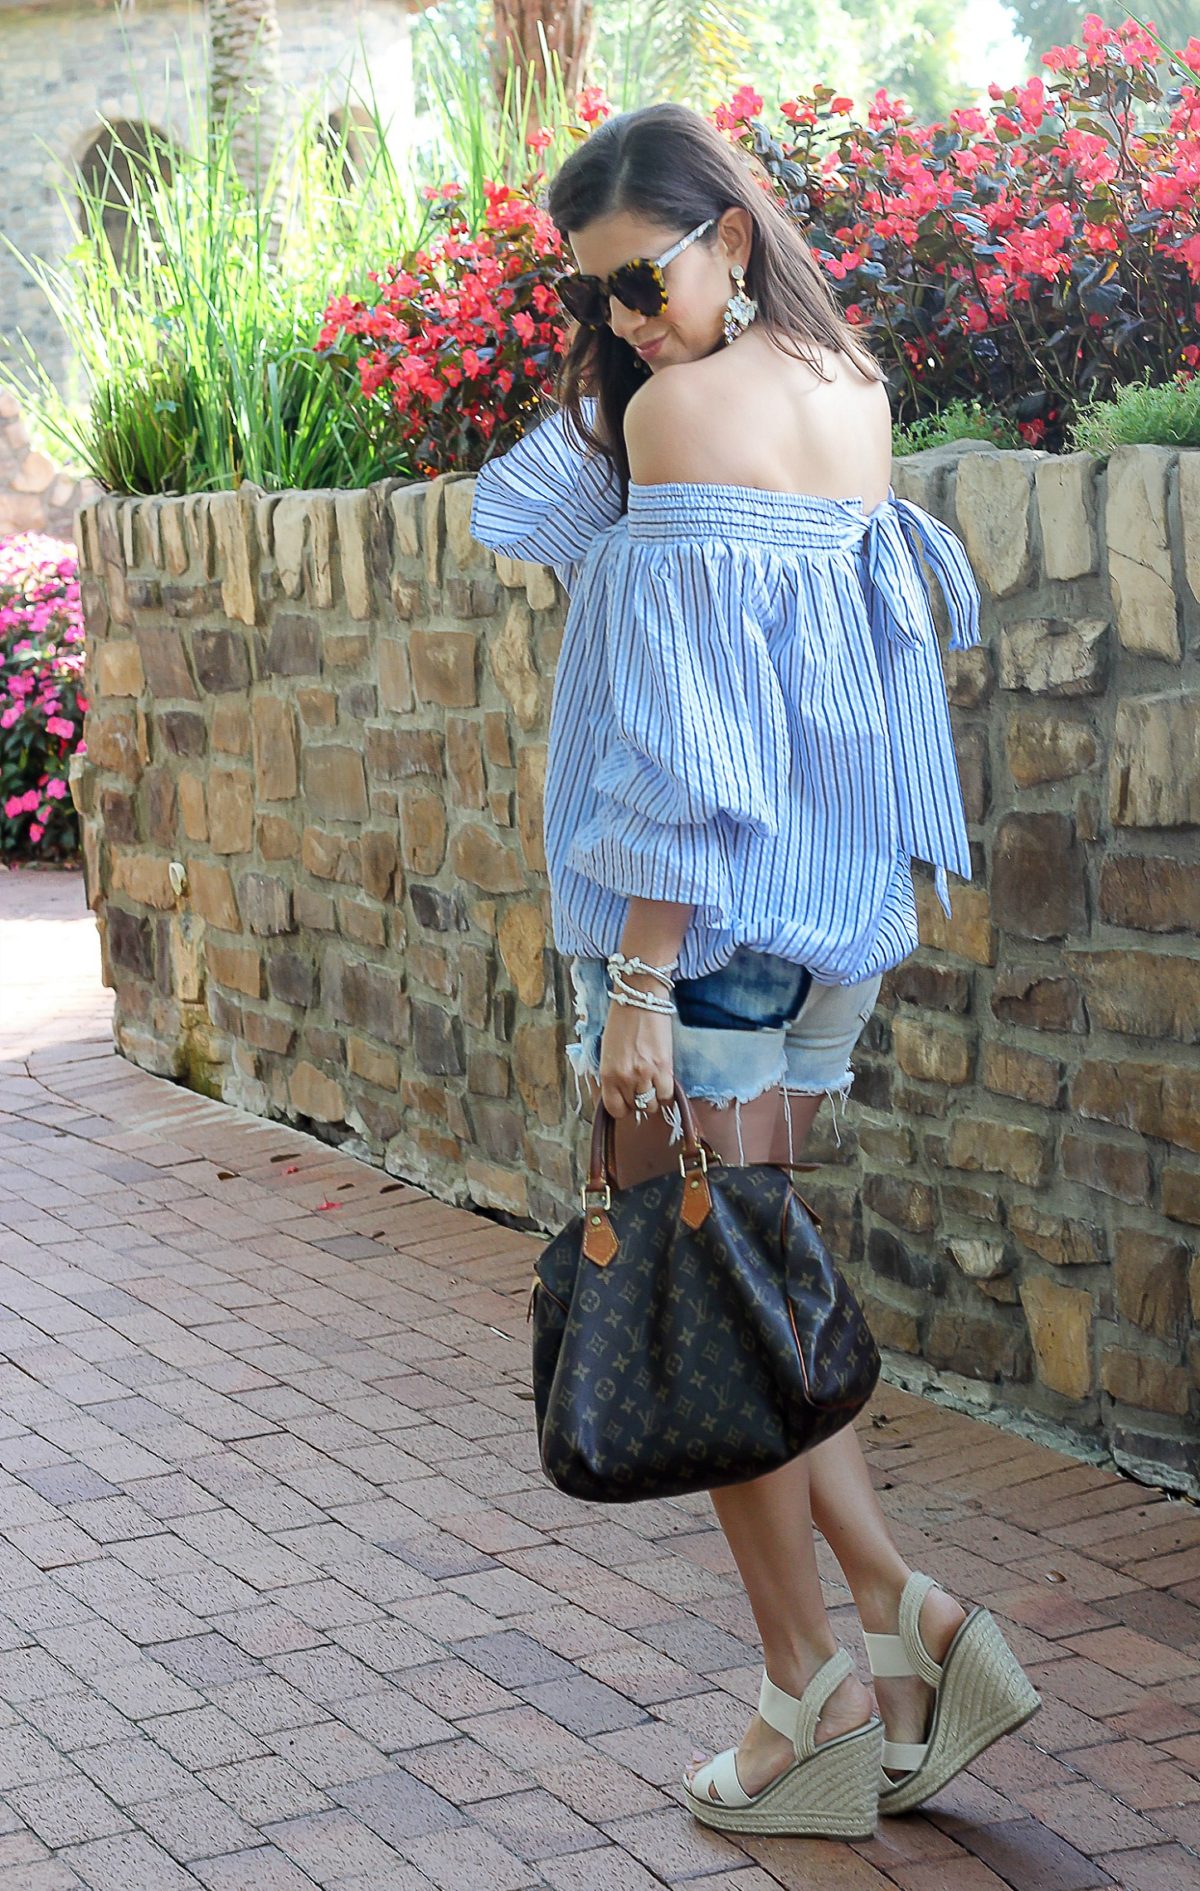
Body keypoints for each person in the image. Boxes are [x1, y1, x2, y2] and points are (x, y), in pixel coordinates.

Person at [469, 100, 1039, 1841]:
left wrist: (638, 981)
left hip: (696, 941)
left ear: (726, 227)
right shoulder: (848, 392)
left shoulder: (689, 409)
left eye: (641, 279)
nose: (624, 326)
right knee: (756, 1297)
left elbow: (684, 741)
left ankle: (822, 1693)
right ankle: (899, 1623)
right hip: (825, 923)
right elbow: (547, 520)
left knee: (693, 1298)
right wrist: (624, 377)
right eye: (595, 306)